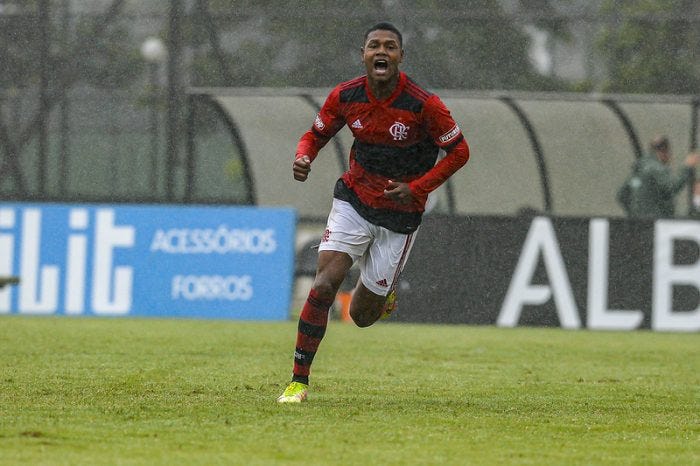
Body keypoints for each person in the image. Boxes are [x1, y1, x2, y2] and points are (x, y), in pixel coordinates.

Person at [277, 22, 470, 403]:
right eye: (373, 46)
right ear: (364, 54)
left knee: (363, 316)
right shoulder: (347, 95)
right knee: (322, 287)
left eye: (390, 47)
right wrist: (304, 156)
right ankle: (298, 381)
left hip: (400, 216)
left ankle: (385, 291)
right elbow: (314, 134)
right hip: (354, 200)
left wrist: (416, 188)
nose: (381, 52)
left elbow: (460, 152)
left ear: (400, 56)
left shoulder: (423, 104)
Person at [617, 135, 699, 218]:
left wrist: (635, 213)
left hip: (638, 223)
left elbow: (622, 196)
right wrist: (687, 167)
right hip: (655, 221)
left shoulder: (639, 169)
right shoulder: (656, 168)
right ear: (665, 152)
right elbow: (672, 186)